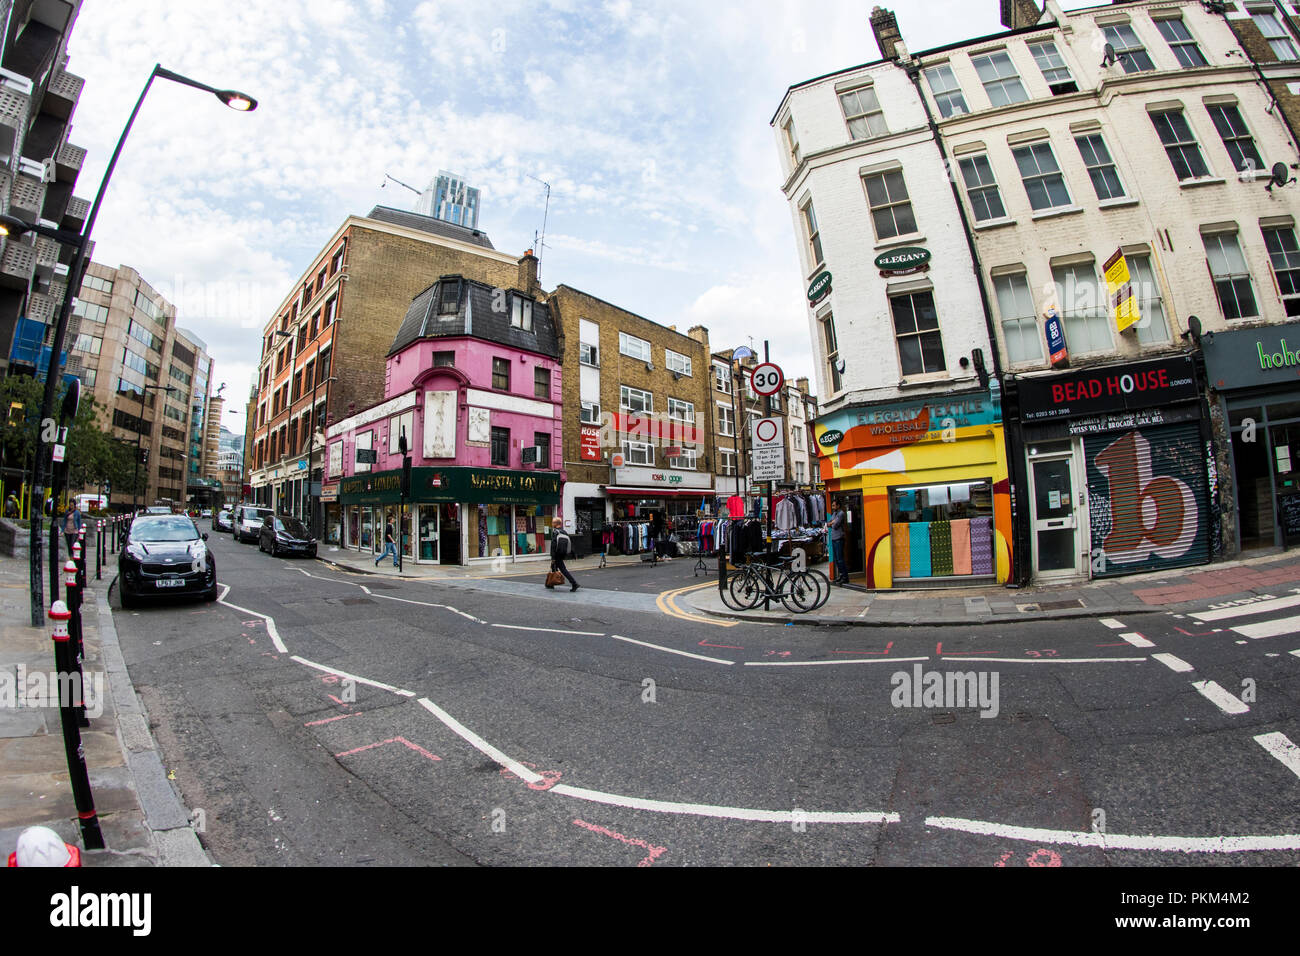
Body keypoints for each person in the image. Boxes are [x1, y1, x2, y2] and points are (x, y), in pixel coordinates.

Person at [550, 517, 578, 592]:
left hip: (556, 554)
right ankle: (550, 584)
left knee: (563, 569)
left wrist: (553, 557)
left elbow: (553, 546)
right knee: (553, 567)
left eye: (553, 522)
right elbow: (570, 543)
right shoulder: (564, 532)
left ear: (556, 524)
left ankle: (574, 583)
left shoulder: (555, 532)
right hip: (562, 553)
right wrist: (573, 553)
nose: (552, 524)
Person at [828, 498, 848, 586]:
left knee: (840, 559)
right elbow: (829, 523)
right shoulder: (835, 514)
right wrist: (832, 522)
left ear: (838, 505)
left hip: (839, 538)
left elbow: (835, 525)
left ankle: (845, 577)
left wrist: (832, 523)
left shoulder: (841, 514)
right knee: (836, 559)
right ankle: (841, 575)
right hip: (834, 538)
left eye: (834, 505)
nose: (832, 507)